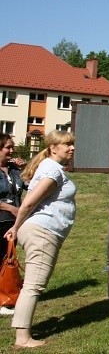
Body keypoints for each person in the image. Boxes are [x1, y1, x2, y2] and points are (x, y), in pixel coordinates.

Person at [4, 130, 76, 348]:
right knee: (33, 286)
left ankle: (22, 330)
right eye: (67, 145)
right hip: (42, 232)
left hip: (44, 232)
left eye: (72, 144)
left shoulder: (51, 167)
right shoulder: (52, 170)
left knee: (34, 285)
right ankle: (23, 338)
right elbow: (28, 203)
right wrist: (15, 228)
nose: (72, 148)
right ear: (53, 148)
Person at [0, 134, 24, 316]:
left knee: (7, 259)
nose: (11, 150)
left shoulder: (14, 169)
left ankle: (6, 296)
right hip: (1, 218)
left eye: (12, 147)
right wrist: (10, 207)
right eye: (7, 147)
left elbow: (27, 186)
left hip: (12, 222)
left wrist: (25, 169)